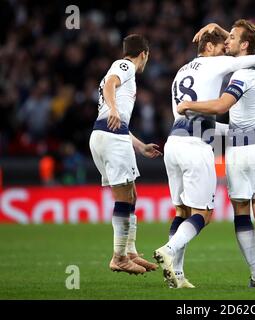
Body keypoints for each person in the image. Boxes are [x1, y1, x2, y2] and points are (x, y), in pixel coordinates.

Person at [153, 28, 255, 289]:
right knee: (204, 214)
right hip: (196, 146)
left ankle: (177, 274)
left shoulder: (181, 72)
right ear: (209, 47)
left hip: (174, 142)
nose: (225, 48)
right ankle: (168, 248)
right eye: (221, 45)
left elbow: (200, 120)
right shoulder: (218, 62)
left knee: (181, 211)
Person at [89, 34, 162, 275]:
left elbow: (115, 121)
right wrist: (113, 108)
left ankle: (129, 251)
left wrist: (140, 147)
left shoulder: (123, 72)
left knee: (130, 194)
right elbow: (111, 83)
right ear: (144, 54)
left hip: (107, 135)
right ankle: (119, 257)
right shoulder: (126, 65)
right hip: (111, 139)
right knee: (124, 197)